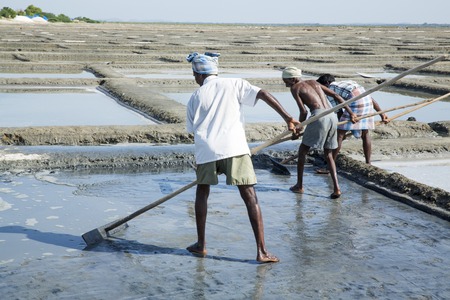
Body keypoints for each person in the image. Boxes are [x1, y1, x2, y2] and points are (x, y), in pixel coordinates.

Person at [185, 52, 299, 263]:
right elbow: (263, 93)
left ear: (199, 74)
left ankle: (201, 245)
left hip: (206, 150)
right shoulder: (234, 83)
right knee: (249, 196)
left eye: (194, 74)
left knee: (202, 193)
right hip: (234, 147)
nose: (194, 78)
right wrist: (288, 118)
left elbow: (192, 129)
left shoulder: (195, 96)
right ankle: (262, 251)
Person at [282, 67, 357, 199]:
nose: (286, 84)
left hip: (318, 117)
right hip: (332, 115)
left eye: (286, 80)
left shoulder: (295, 88)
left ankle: (299, 186)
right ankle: (337, 189)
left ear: (293, 78)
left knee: (302, 151)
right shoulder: (315, 82)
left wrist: (298, 128)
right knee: (328, 154)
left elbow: (304, 112)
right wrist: (351, 113)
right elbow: (336, 96)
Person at [317, 74, 389, 165]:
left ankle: (330, 164)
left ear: (327, 83)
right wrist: (382, 114)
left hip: (356, 102)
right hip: (367, 102)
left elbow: (339, 111)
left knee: (339, 134)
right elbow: (370, 98)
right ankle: (368, 162)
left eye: (322, 88)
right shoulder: (346, 83)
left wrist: (341, 129)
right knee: (365, 133)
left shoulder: (330, 89)